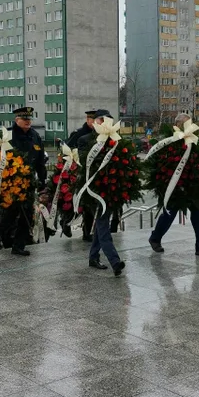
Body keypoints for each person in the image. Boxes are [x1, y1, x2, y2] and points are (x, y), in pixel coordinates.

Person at [148, 112, 199, 257]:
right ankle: (155, 238)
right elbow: (163, 164)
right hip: (175, 186)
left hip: (191, 185)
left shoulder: (193, 141)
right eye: (186, 124)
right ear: (178, 125)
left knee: (198, 213)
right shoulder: (170, 142)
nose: (189, 127)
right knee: (169, 214)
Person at [76, 109, 127, 276]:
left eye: (109, 121)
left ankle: (93, 256)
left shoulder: (116, 141)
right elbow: (83, 166)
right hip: (94, 191)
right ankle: (115, 261)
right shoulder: (85, 140)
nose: (106, 124)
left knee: (100, 224)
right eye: (102, 120)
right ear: (95, 122)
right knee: (103, 224)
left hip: (111, 190)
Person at [3, 106, 47, 256]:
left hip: (29, 183)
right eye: (24, 119)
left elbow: (40, 161)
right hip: (10, 184)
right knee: (8, 214)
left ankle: (18, 245)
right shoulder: (8, 135)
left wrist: (42, 180)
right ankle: (0, 240)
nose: (28, 121)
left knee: (27, 214)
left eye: (29, 119)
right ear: (17, 120)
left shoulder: (35, 136)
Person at [66, 110, 97, 241]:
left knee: (88, 205)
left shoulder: (100, 134)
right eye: (92, 120)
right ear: (88, 120)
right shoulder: (79, 134)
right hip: (78, 172)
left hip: (92, 173)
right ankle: (66, 222)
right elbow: (67, 148)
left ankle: (87, 232)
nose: (95, 123)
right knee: (75, 201)